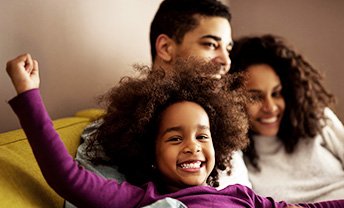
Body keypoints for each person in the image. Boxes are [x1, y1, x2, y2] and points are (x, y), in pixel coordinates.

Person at [6, 53, 344, 207]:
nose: (192, 146)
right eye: (174, 137)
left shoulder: (243, 197)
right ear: (150, 153)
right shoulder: (145, 198)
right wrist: (29, 94)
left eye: (202, 136)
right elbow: (68, 178)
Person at [74, 0, 251, 195]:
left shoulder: (225, 140)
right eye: (210, 44)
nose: (226, 61)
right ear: (166, 47)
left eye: (228, 48)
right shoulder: (111, 138)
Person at [229, 34, 344, 203]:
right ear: (232, 101)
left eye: (276, 94)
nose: (271, 107)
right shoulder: (233, 157)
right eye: (255, 97)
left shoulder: (317, 119)